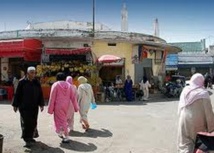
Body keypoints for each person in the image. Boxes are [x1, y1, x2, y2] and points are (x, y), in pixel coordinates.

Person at [177, 73, 214, 153]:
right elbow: (209, 113)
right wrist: (211, 128)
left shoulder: (185, 90)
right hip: (197, 122)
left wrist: (180, 118)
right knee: (199, 143)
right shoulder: (203, 93)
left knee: (185, 144)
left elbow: (180, 107)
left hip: (184, 119)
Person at [12, 66, 45, 147]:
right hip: (24, 106)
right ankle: (26, 139)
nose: (33, 74)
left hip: (34, 106)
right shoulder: (22, 82)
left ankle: (30, 137)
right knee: (26, 122)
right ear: (28, 73)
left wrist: (41, 104)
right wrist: (15, 105)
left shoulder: (36, 82)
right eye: (32, 72)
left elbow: (40, 93)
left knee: (33, 122)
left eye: (34, 72)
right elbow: (17, 94)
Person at [48, 73, 79, 143]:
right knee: (63, 119)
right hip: (66, 106)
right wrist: (76, 107)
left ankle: (66, 136)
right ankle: (61, 132)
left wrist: (50, 109)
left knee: (61, 120)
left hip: (58, 106)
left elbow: (52, 98)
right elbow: (73, 98)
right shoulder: (69, 85)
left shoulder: (55, 85)